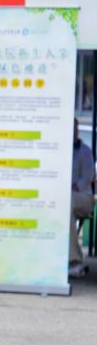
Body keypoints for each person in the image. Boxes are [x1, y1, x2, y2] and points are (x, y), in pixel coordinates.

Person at [70, 118, 95, 278]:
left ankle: (75, 260)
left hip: (84, 198)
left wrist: (73, 186)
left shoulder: (85, 151)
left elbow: (87, 177)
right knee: (65, 210)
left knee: (66, 202)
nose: (74, 131)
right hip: (67, 200)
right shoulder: (59, 150)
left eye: (75, 128)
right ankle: (73, 261)